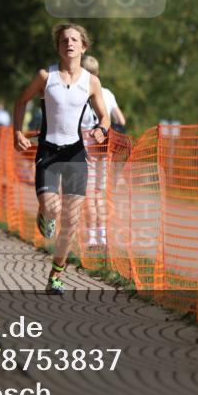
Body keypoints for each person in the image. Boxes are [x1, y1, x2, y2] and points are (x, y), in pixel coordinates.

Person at [13, 23, 110, 295]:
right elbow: (20, 102)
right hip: (49, 152)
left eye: (74, 40)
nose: (69, 44)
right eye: (64, 40)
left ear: (83, 47)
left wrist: (102, 129)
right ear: (58, 47)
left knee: (72, 221)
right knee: (53, 209)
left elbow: (105, 116)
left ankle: (56, 275)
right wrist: (17, 132)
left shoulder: (91, 82)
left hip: (75, 153)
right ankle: (45, 214)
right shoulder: (46, 76)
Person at [79, 55, 126, 250]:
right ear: (97, 73)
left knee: (89, 194)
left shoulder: (79, 93)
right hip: (105, 148)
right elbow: (121, 120)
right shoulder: (107, 93)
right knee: (101, 193)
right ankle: (103, 236)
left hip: (87, 146)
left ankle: (92, 238)